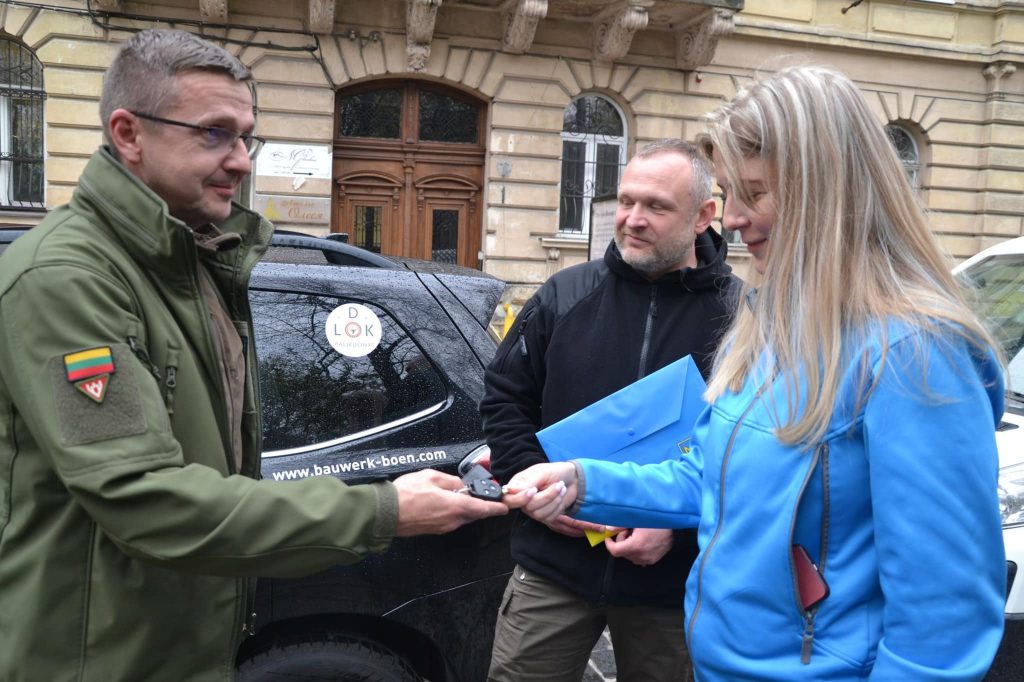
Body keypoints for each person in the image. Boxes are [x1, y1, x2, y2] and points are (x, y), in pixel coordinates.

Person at [0, 29, 506, 682]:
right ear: (128, 134)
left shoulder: (200, 260)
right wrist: (384, 510)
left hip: (181, 645)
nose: (240, 159)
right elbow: (144, 499)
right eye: (213, 133)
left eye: (245, 137)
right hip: (93, 657)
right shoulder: (67, 278)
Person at [503, 65, 1007, 681]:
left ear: (829, 188)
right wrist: (584, 480)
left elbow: (942, 627)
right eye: (730, 193)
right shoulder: (774, 324)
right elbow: (710, 477)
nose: (732, 219)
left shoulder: (916, 353)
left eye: (754, 192)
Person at [482, 139, 740, 681]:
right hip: (553, 565)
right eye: (626, 201)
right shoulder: (562, 294)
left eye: (656, 206)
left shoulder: (745, 318)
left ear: (704, 216)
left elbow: (754, 453)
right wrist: (535, 493)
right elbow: (506, 399)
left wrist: (678, 528)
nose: (633, 219)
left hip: (674, 585)